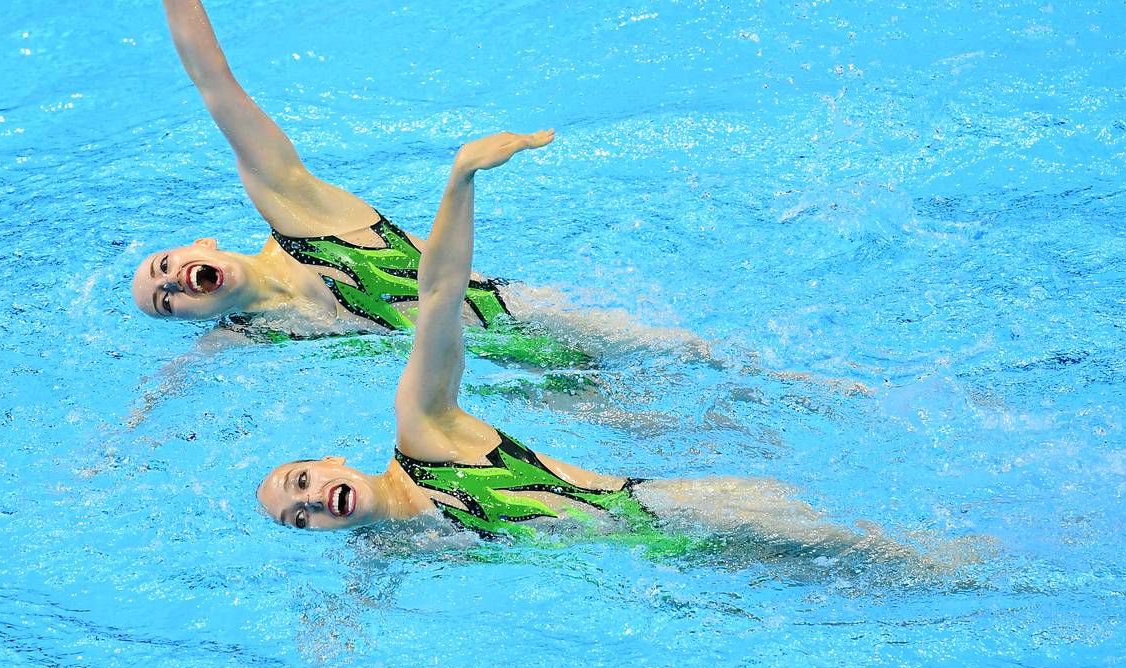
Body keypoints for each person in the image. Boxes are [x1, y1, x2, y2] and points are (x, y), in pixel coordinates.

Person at [256, 130, 929, 565]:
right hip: (674, 558)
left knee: (917, 564)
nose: (311, 503)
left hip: (685, 513)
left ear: (331, 459)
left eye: (301, 483)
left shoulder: (425, 434)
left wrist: (461, 178)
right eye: (299, 519)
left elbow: (438, 297)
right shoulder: (398, 547)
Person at [130, 0, 721, 369]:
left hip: (521, 314)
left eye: (163, 266)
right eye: (166, 302)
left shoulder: (295, 211)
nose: (171, 283)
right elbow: (170, 383)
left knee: (700, 360)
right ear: (189, 318)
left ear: (202, 246)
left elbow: (214, 82)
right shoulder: (251, 334)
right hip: (507, 372)